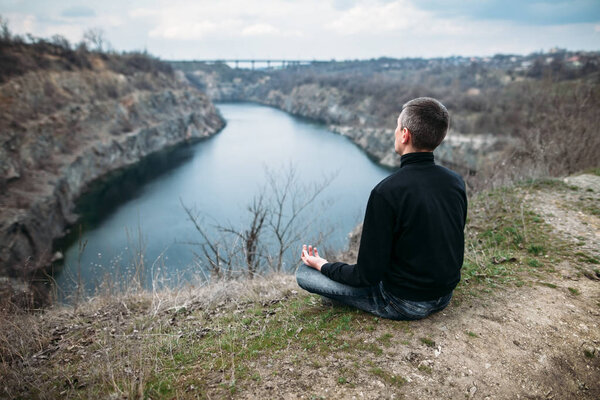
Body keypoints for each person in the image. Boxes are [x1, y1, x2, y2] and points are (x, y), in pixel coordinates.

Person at [297, 97, 467, 321]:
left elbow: (365, 276)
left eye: (397, 126)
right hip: (444, 295)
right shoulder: (455, 182)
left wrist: (323, 265)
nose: (395, 132)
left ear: (405, 134)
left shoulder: (387, 192)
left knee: (304, 275)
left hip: (404, 303)